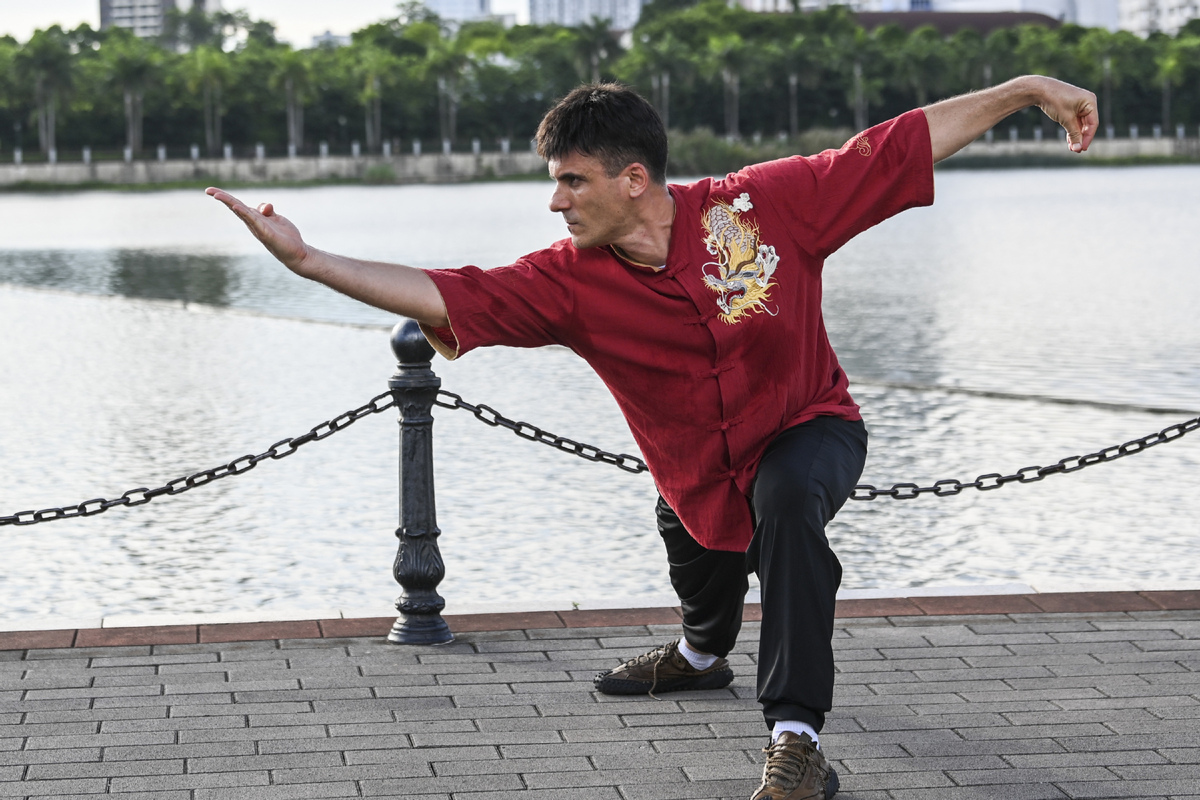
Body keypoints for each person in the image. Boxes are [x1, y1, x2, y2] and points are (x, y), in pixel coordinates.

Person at [207, 75, 1097, 800]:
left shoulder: (760, 208)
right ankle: (700, 655)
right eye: (555, 182)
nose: (555, 202)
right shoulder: (568, 284)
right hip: (696, 477)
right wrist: (309, 261)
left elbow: (893, 147)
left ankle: (797, 742)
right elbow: (446, 292)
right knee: (700, 547)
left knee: (786, 507)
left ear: (634, 179)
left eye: (572, 180)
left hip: (809, 426)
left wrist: (1023, 91)